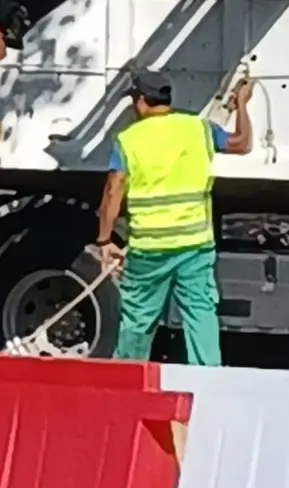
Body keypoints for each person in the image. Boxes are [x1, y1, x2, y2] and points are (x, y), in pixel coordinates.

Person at [93, 69, 254, 366]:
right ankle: (207, 383)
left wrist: (104, 240)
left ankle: (130, 380)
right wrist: (242, 104)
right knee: (200, 314)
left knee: (138, 319)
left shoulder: (128, 140)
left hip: (148, 251)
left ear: (141, 102)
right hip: (194, 247)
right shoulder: (198, 129)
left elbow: (113, 190)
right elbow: (242, 143)